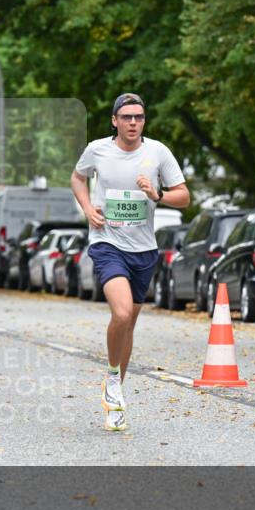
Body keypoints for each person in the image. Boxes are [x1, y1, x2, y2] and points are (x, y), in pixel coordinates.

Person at [71, 93, 191, 432]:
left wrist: (158, 195)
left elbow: (184, 195)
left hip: (144, 250)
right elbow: (77, 178)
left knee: (129, 324)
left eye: (139, 117)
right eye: (126, 117)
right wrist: (87, 208)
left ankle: (115, 392)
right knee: (121, 312)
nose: (133, 123)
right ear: (115, 120)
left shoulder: (157, 152)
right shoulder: (97, 150)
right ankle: (112, 378)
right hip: (107, 243)